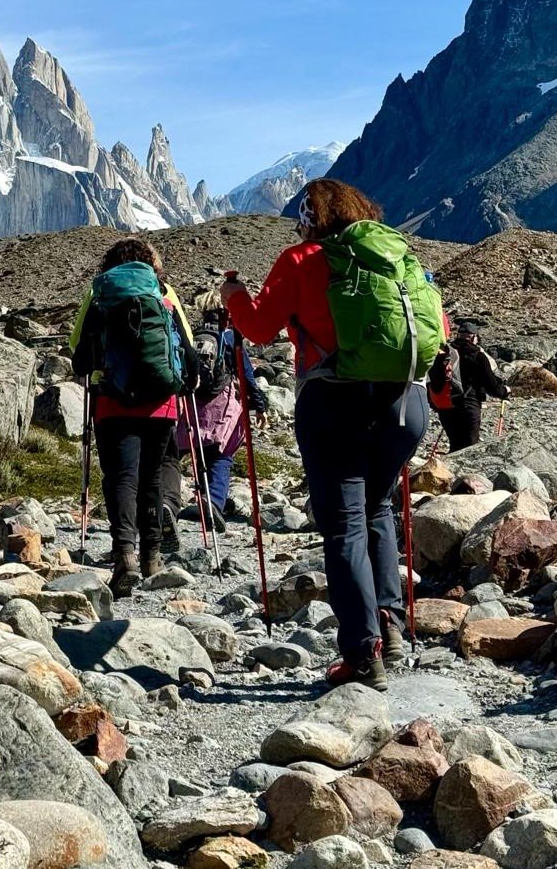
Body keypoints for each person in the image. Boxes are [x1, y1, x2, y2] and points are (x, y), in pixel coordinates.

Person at [220, 178, 429, 691]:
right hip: (406, 403)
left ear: (310, 216)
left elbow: (260, 327)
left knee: (345, 526)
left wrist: (233, 295)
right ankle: (392, 628)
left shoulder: (300, 259)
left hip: (334, 402)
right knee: (378, 507)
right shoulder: (397, 255)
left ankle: (362, 654)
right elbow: (433, 325)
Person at [70, 238, 196, 597]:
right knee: (153, 477)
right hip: (161, 403)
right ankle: (152, 557)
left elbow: (78, 353)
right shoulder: (164, 294)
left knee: (122, 477)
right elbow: (185, 349)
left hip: (112, 400)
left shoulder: (100, 295)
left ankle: (124, 554)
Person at [160, 294, 268, 550]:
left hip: (191, 405)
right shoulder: (230, 337)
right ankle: (213, 502)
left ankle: (165, 501)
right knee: (220, 456)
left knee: (174, 455)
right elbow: (247, 374)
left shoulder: (193, 335)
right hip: (222, 406)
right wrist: (259, 404)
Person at [439, 321, 510, 452]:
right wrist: (504, 391)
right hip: (468, 406)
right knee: (469, 449)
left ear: (458, 335)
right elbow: (491, 385)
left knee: (455, 445)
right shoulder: (478, 356)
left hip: (446, 406)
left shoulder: (446, 353)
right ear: (474, 338)